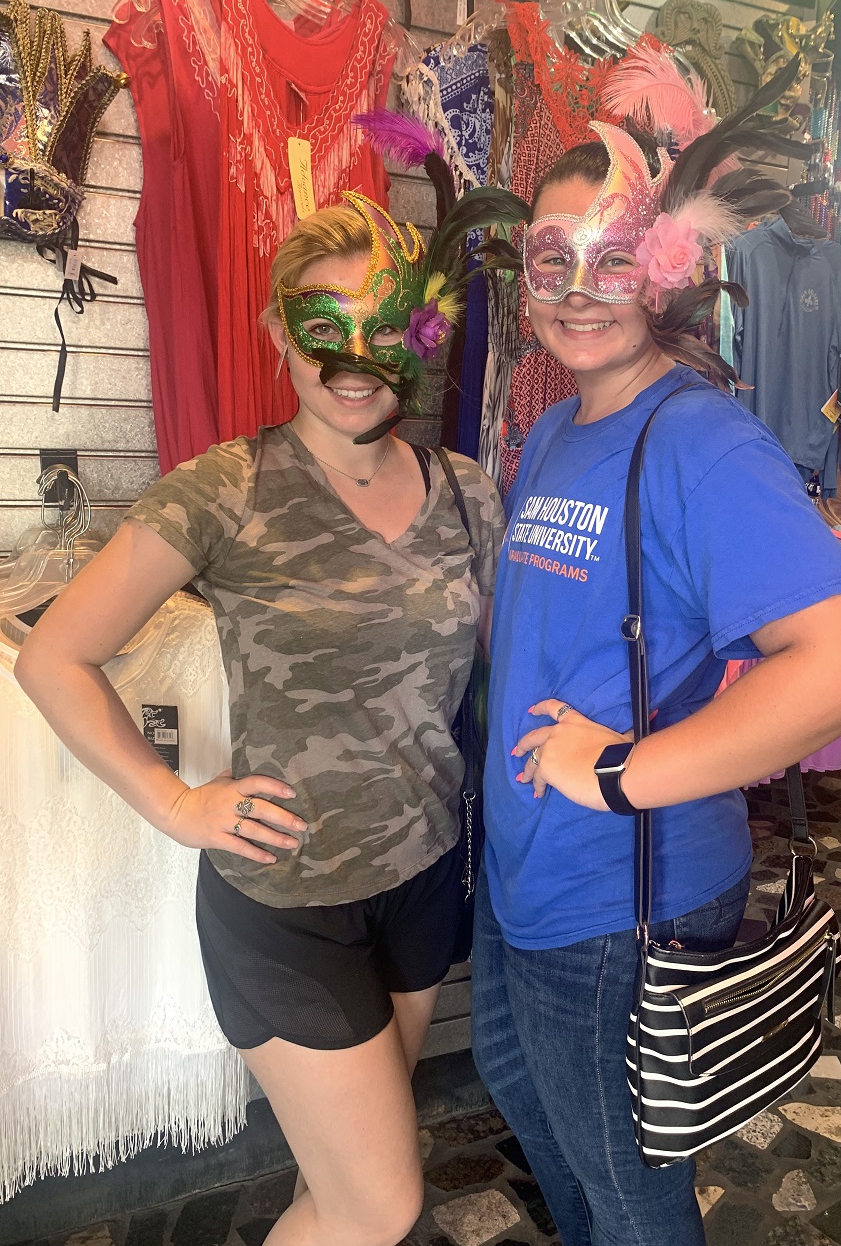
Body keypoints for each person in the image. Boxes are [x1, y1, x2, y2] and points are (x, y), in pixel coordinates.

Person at [14, 184, 522, 1246]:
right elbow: (56, 656)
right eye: (321, 325)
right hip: (287, 904)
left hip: (423, 878)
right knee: (380, 1201)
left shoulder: (468, 491)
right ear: (279, 333)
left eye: (384, 323)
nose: (353, 357)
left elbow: (501, 663)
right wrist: (172, 801)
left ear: (420, 333)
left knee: (341, 1181)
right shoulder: (226, 488)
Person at [471, 119, 841, 1246]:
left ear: (663, 269)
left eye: (612, 258)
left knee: (626, 1186)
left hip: (623, 893)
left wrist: (618, 770)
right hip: (524, 867)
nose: (577, 291)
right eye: (552, 261)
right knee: (525, 1097)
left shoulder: (705, 443)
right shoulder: (553, 431)